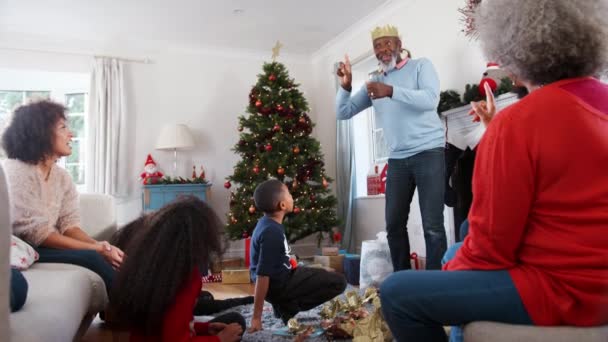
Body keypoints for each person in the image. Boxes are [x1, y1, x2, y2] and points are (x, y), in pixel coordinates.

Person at [380, 0, 608, 341]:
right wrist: (494, 128)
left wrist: (447, 274)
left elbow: (491, 249)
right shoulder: (594, 102)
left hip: (567, 291)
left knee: (398, 291)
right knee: (461, 238)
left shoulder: (520, 121)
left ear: (514, 56)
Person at [336, 24, 447, 271]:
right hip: (397, 159)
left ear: (399, 43)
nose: (383, 49)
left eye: (388, 43)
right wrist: (346, 85)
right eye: (377, 45)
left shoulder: (421, 66)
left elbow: (430, 100)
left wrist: (391, 91)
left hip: (429, 152)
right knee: (394, 225)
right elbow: (343, 112)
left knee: (432, 225)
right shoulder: (375, 81)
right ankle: (402, 280)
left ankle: (437, 282)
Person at [1, 100, 122, 294]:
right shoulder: (15, 170)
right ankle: (136, 309)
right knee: (92, 257)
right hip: (20, 245)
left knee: (108, 251)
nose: (71, 134)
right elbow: (38, 234)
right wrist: (95, 250)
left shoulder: (62, 177)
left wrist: (100, 245)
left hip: (42, 244)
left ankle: (134, 304)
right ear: (41, 133)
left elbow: (69, 225)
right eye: (63, 127)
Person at [111, 197, 245, 342]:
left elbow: (165, 325)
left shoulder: (147, 265)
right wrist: (219, 340)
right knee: (236, 322)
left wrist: (204, 328)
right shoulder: (185, 278)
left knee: (231, 321)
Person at [248, 179, 346, 333]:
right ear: (282, 205)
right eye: (288, 194)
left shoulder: (265, 223)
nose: (292, 197)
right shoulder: (271, 232)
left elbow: (276, 261)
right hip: (280, 286)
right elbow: (262, 275)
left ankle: (285, 306)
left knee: (321, 273)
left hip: (281, 280)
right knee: (339, 282)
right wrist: (256, 317)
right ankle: (288, 305)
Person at [109, 214, 254, 317]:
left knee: (205, 296)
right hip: (144, 301)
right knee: (205, 302)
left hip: (140, 297)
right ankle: (244, 300)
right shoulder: (159, 258)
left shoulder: (147, 241)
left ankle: (242, 301)